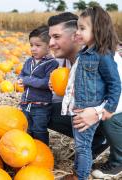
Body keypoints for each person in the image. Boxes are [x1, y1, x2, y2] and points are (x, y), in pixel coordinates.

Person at [48, 11, 122, 179]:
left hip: (110, 110)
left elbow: (116, 90)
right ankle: (97, 143)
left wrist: (96, 113)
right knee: (48, 111)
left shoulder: (106, 57)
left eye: (56, 37)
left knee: (83, 146)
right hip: (81, 107)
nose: (51, 43)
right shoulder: (68, 59)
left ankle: (117, 159)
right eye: (50, 37)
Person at [18, 25, 59, 145]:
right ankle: (30, 150)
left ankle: (42, 151)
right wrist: (20, 79)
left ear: (48, 46)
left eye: (38, 45)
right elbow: (21, 74)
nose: (33, 49)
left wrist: (26, 80)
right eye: (31, 45)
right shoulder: (28, 61)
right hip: (25, 103)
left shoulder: (52, 63)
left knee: (39, 130)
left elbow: (46, 83)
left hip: (41, 106)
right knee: (27, 129)